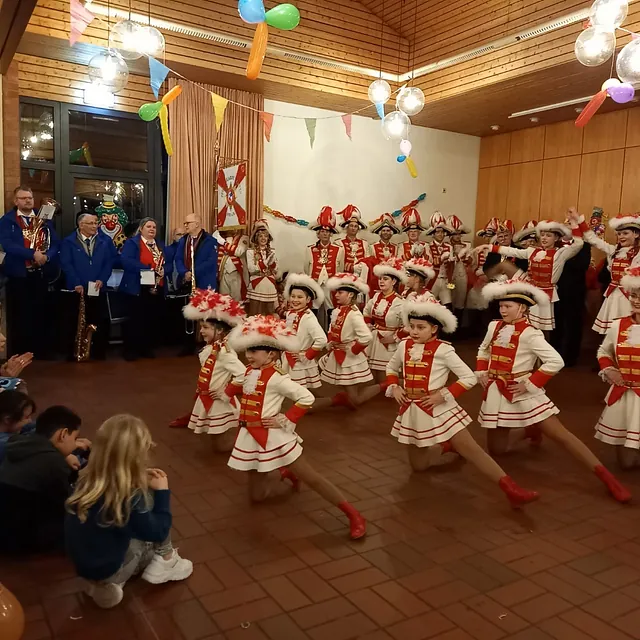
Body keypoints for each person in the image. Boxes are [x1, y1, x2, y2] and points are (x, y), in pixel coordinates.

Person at [476, 278, 631, 503]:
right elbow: (484, 349)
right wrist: (482, 371)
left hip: (523, 393)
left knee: (563, 437)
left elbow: (555, 361)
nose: (503, 310)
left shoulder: (531, 333)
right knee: (497, 450)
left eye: (508, 306)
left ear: (523, 308)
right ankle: (528, 431)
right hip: (497, 393)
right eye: (501, 305)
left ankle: (607, 478)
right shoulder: (494, 326)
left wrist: (529, 383)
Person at [386, 294, 539, 508]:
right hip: (413, 410)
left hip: (441, 409)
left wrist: (444, 394)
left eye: (421, 327)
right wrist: (394, 386)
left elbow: (469, 377)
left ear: (434, 329)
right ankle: (446, 446)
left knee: (473, 450)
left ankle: (511, 489)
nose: (414, 331)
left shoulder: (444, 350)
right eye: (412, 326)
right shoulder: (404, 346)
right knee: (419, 466)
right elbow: (391, 367)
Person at [223, 314, 366, 540]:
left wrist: (286, 417)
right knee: (256, 497)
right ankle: (283, 471)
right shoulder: (251, 370)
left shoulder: (278, 378)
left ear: (271, 354)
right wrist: (227, 386)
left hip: (274, 436)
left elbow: (306, 397)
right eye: (247, 350)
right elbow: (242, 388)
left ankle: (353, 514)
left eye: (254, 351)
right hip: (249, 436)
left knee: (312, 478)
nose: (248, 355)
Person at [66, 415, 192, 609]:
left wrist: (137, 477)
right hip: (111, 566)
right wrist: (162, 493)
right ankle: (166, 560)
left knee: (115, 528)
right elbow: (157, 531)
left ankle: (100, 584)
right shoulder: (130, 496)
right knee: (151, 508)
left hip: (85, 564)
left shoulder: (84, 478)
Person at [478, 210, 584, 331]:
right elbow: (513, 251)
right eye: (542, 235)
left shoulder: (560, 253)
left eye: (548, 235)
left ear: (556, 238)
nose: (544, 238)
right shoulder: (532, 251)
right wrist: (490, 247)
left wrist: (574, 223)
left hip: (546, 291)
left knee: (542, 327)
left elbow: (578, 244)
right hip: (530, 284)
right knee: (505, 265)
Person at [0, 405, 83, 554]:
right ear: (63, 434)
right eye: (75, 438)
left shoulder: (17, 443)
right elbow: (68, 504)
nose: (75, 444)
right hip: (23, 539)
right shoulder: (53, 463)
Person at [181, 290, 246, 449]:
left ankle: (242, 448)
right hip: (206, 397)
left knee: (220, 444)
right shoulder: (211, 348)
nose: (201, 331)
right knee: (212, 438)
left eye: (205, 327)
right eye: (201, 327)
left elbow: (243, 374)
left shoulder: (224, 353)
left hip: (219, 401)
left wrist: (227, 392)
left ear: (220, 330)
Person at [0, 186, 60, 358]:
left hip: (40, 273)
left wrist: (47, 256)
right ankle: (21, 353)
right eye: (23, 198)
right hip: (18, 274)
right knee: (20, 315)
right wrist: (31, 254)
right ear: (15, 201)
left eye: (30, 197)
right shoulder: (6, 221)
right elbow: (8, 245)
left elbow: (55, 243)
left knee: (41, 312)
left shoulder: (44, 218)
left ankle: (41, 351)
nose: (28, 200)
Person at [315, 273, 386, 409]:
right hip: (335, 353)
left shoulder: (354, 314)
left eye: (340, 292)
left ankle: (384, 385)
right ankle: (335, 398)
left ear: (350, 295)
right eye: (336, 292)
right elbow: (332, 330)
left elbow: (366, 337)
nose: (336, 295)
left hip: (349, 357)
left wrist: (352, 349)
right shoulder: (337, 310)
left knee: (355, 400)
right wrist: (330, 343)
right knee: (317, 374)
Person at [594, 265, 640, 468]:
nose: (636, 301)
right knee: (626, 464)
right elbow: (603, 351)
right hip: (623, 393)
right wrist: (609, 369)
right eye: (634, 296)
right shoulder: (618, 325)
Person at [60, 213, 118, 360]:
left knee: (99, 319)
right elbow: (66, 264)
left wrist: (102, 279)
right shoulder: (68, 242)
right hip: (77, 288)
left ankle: (98, 352)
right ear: (81, 225)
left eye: (95, 223)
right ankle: (74, 353)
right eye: (91, 223)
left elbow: (109, 262)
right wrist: (75, 282)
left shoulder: (104, 241)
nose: (95, 226)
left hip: (97, 287)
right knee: (74, 321)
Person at [582, 213, 640, 335]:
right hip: (613, 295)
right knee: (612, 331)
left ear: (636, 234)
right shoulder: (614, 251)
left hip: (630, 297)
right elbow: (594, 240)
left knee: (629, 330)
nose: (621, 237)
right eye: (619, 234)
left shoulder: (638, 254)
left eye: (625, 233)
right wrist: (580, 222)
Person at [119, 218, 166, 361]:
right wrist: (149, 268)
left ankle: (146, 348)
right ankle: (130, 350)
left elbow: (168, 262)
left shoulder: (160, 245)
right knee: (134, 319)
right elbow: (126, 261)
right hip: (136, 286)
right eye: (148, 226)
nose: (152, 229)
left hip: (155, 286)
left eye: (154, 227)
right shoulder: (132, 243)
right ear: (141, 229)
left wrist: (164, 270)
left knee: (150, 318)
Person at [175, 214, 221, 355]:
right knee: (188, 315)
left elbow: (210, 262)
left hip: (204, 283)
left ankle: (206, 345)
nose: (185, 226)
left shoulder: (210, 241)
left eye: (188, 223)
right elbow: (178, 259)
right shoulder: (184, 240)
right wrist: (184, 272)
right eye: (185, 223)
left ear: (196, 224)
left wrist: (193, 272)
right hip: (187, 282)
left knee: (206, 316)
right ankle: (188, 345)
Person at [363, 257, 406, 381]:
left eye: (385, 279)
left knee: (386, 377)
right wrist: (368, 326)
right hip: (374, 341)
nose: (381, 281)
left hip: (390, 344)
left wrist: (394, 338)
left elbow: (408, 326)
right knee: (371, 377)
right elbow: (366, 312)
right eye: (380, 278)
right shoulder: (376, 297)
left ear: (394, 282)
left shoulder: (400, 302)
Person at [282, 274, 327, 389]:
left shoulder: (308, 317)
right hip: (288, 358)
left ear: (308, 300)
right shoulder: (290, 313)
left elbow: (322, 339)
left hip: (300, 362)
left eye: (299, 297)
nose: (295, 300)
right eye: (293, 296)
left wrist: (306, 355)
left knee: (299, 393)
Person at [304, 207, 345, 330]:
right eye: (322, 231)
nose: (325, 234)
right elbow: (306, 268)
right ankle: (312, 332)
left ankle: (331, 333)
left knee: (331, 309)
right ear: (318, 233)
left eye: (327, 232)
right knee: (313, 309)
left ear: (331, 234)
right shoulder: (310, 249)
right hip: (315, 283)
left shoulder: (339, 249)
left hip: (330, 285)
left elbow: (340, 269)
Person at [246, 219, 279, 316]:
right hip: (257, 284)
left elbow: (276, 269)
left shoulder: (272, 251)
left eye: (266, 236)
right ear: (256, 238)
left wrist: (272, 264)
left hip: (269, 285)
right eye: (260, 236)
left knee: (269, 313)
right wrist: (264, 263)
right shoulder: (250, 251)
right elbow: (251, 269)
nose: (263, 238)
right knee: (254, 313)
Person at [446, 214, 471, 324]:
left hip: (462, 275)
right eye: (454, 233)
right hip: (449, 276)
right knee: (449, 299)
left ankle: (458, 326)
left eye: (459, 233)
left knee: (460, 299)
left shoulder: (466, 246)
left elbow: (471, 261)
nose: (457, 236)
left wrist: (465, 256)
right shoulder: (446, 246)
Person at [425, 212, 454, 306]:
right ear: (433, 234)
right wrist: (441, 258)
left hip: (445, 280)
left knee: (448, 306)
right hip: (433, 280)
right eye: (437, 232)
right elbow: (430, 263)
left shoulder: (449, 247)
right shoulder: (428, 246)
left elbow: (451, 266)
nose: (440, 234)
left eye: (442, 232)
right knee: (430, 305)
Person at [0, 391, 36, 462]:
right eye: (27, 417)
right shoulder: (6, 445)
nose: (30, 420)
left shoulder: (13, 428)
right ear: (8, 419)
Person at [334, 205, 370, 274]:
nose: (353, 228)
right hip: (345, 275)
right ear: (347, 228)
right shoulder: (338, 243)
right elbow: (337, 263)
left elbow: (367, 260)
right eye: (351, 226)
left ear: (358, 229)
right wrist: (351, 268)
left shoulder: (364, 243)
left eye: (356, 226)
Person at [218, 229, 249, 302]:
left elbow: (239, 251)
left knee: (236, 301)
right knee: (224, 301)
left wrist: (224, 243)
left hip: (236, 272)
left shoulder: (244, 238)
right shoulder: (223, 238)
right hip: (223, 272)